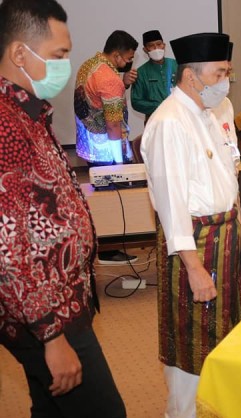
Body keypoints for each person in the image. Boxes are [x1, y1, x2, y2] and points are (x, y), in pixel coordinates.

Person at [0, 0, 127, 418]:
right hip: (44, 312)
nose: (66, 66)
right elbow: (7, 245)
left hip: (59, 300)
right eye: (58, 53)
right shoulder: (6, 125)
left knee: (54, 417)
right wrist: (51, 335)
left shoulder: (25, 111)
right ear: (19, 52)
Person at [141, 32, 241, 418]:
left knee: (228, 325)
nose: (227, 80)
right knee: (192, 328)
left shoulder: (214, 108)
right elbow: (171, 203)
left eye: (227, 71)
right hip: (194, 241)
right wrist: (192, 266)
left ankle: (218, 403)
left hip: (227, 233)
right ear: (191, 76)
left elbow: (230, 173)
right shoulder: (170, 122)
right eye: (220, 73)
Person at [74, 29, 138, 264]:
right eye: (129, 57)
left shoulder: (88, 65)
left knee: (100, 201)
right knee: (112, 202)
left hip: (87, 144)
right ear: (118, 55)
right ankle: (108, 251)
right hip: (105, 151)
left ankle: (102, 246)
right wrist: (119, 163)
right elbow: (113, 124)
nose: (130, 62)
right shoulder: (110, 79)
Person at [130, 29, 177, 121]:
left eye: (159, 44)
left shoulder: (176, 65)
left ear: (164, 45)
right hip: (154, 120)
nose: (156, 48)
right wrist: (161, 106)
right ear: (145, 49)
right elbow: (136, 102)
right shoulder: (140, 72)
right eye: (151, 46)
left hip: (179, 118)